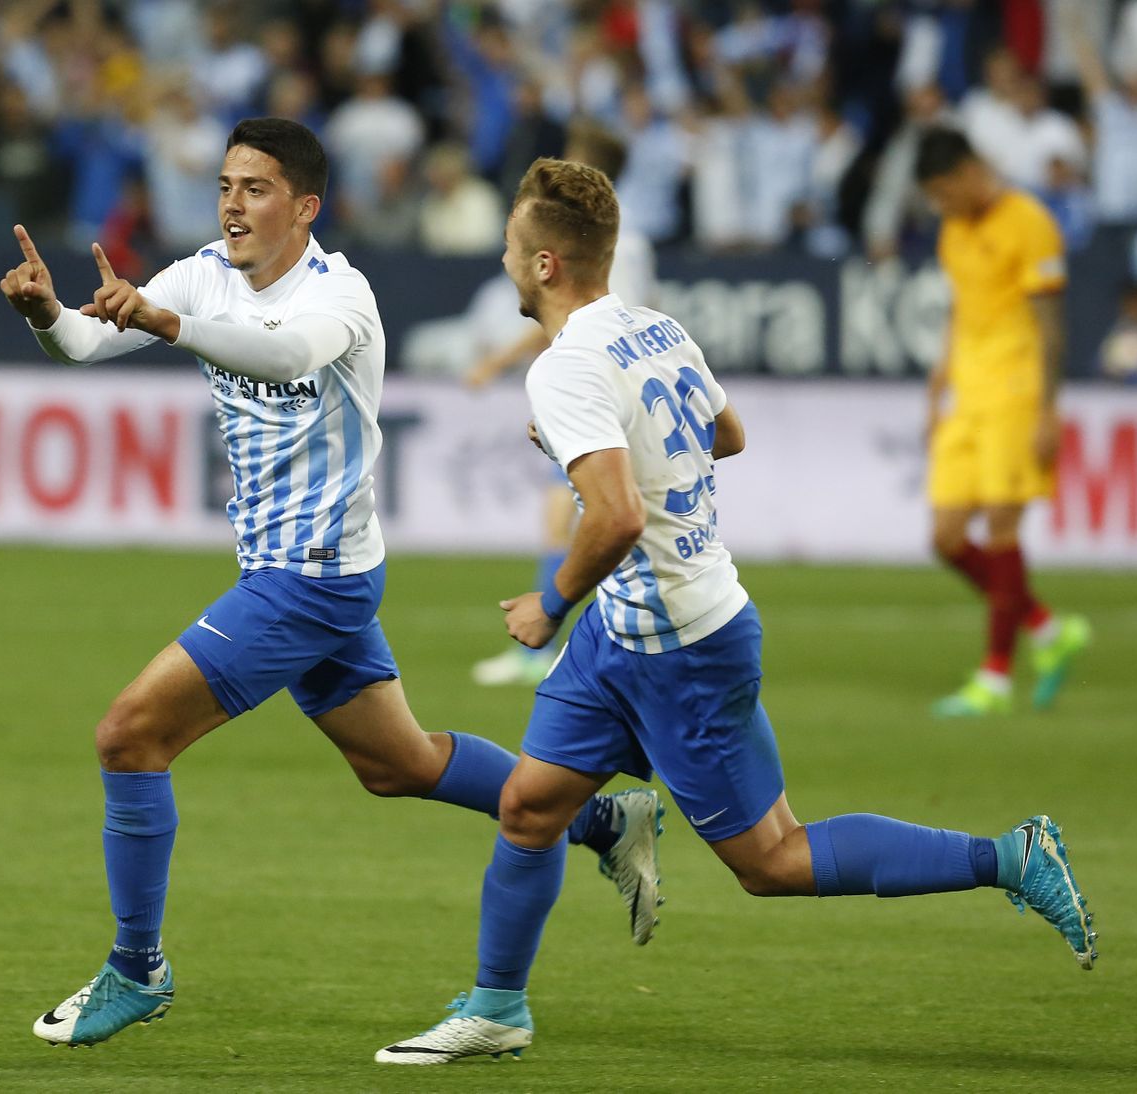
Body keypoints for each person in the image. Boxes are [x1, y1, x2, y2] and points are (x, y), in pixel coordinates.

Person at [373, 158, 1097, 1066]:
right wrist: (605, 446)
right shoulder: (652, 327)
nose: (507, 262)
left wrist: (551, 602)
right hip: (631, 631)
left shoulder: (562, 369)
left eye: (514, 249)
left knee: (774, 862)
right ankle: (497, 1007)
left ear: (547, 264)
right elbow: (728, 434)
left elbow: (620, 514)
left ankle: (1010, 857)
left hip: (679, 643)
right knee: (529, 807)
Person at [0, 119, 662, 1049]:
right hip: (311, 574)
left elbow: (287, 355)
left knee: (129, 738)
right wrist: (45, 312)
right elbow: (84, 345)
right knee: (400, 765)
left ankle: (136, 970)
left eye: (256, 187)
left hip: (310, 583)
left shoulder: (340, 296)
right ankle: (600, 819)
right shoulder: (197, 275)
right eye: (226, 184)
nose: (232, 202)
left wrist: (169, 323)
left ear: (305, 207)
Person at [465, 120, 657, 688]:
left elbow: (572, 317)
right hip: (623, 389)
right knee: (590, 517)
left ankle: (541, 641)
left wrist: (497, 362)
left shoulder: (591, 247)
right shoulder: (630, 241)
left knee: (570, 519)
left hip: (591, 392)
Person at [916, 127, 1092, 718]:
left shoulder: (1030, 222)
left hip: (1017, 393)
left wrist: (1048, 408)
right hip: (967, 392)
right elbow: (963, 307)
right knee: (944, 537)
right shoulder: (954, 229)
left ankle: (993, 678)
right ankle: (1046, 627)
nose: (942, 206)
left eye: (944, 192)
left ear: (968, 172)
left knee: (1000, 526)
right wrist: (940, 377)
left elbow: (1051, 325)